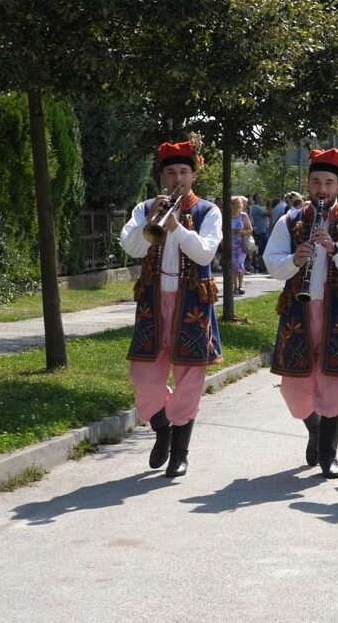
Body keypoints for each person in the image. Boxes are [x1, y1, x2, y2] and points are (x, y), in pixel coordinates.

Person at [265, 148, 338, 478]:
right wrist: (295, 260)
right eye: (316, 182)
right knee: (293, 389)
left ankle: (329, 453)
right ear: (309, 184)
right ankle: (315, 429)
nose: (322, 189)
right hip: (297, 311)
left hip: (337, 312)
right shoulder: (291, 220)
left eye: (329, 182)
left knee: (332, 384)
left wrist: (335, 248)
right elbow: (273, 264)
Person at [120, 138, 222, 478]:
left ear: (193, 175)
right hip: (153, 302)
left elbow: (205, 254)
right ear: (162, 176)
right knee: (143, 376)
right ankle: (162, 427)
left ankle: (180, 452)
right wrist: (151, 219)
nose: (177, 178)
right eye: (171, 173)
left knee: (189, 379)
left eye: (183, 172)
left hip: (191, 302)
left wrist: (177, 227)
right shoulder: (144, 208)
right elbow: (133, 248)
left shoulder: (209, 211)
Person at [230, 196, 253, 294]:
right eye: (234, 204)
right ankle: (234, 287)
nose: (237, 206)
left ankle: (240, 285)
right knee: (232, 266)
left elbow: (250, 229)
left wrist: (242, 232)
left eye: (238, 204)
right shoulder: (226, 216)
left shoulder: (243, 215)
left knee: (239, 264)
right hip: (230, 245)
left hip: (241, 244)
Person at [249, 193, 270, 272]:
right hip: (261, 231)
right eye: (259, 197)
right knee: (263, 249)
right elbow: (268, 214)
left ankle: (261, 265)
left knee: (262, 248)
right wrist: (270, 205)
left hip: (263, 230)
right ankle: (262, 266)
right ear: (255, 199)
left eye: (261, 197)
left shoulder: (258, 207)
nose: (261, 198)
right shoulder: (256, 207)